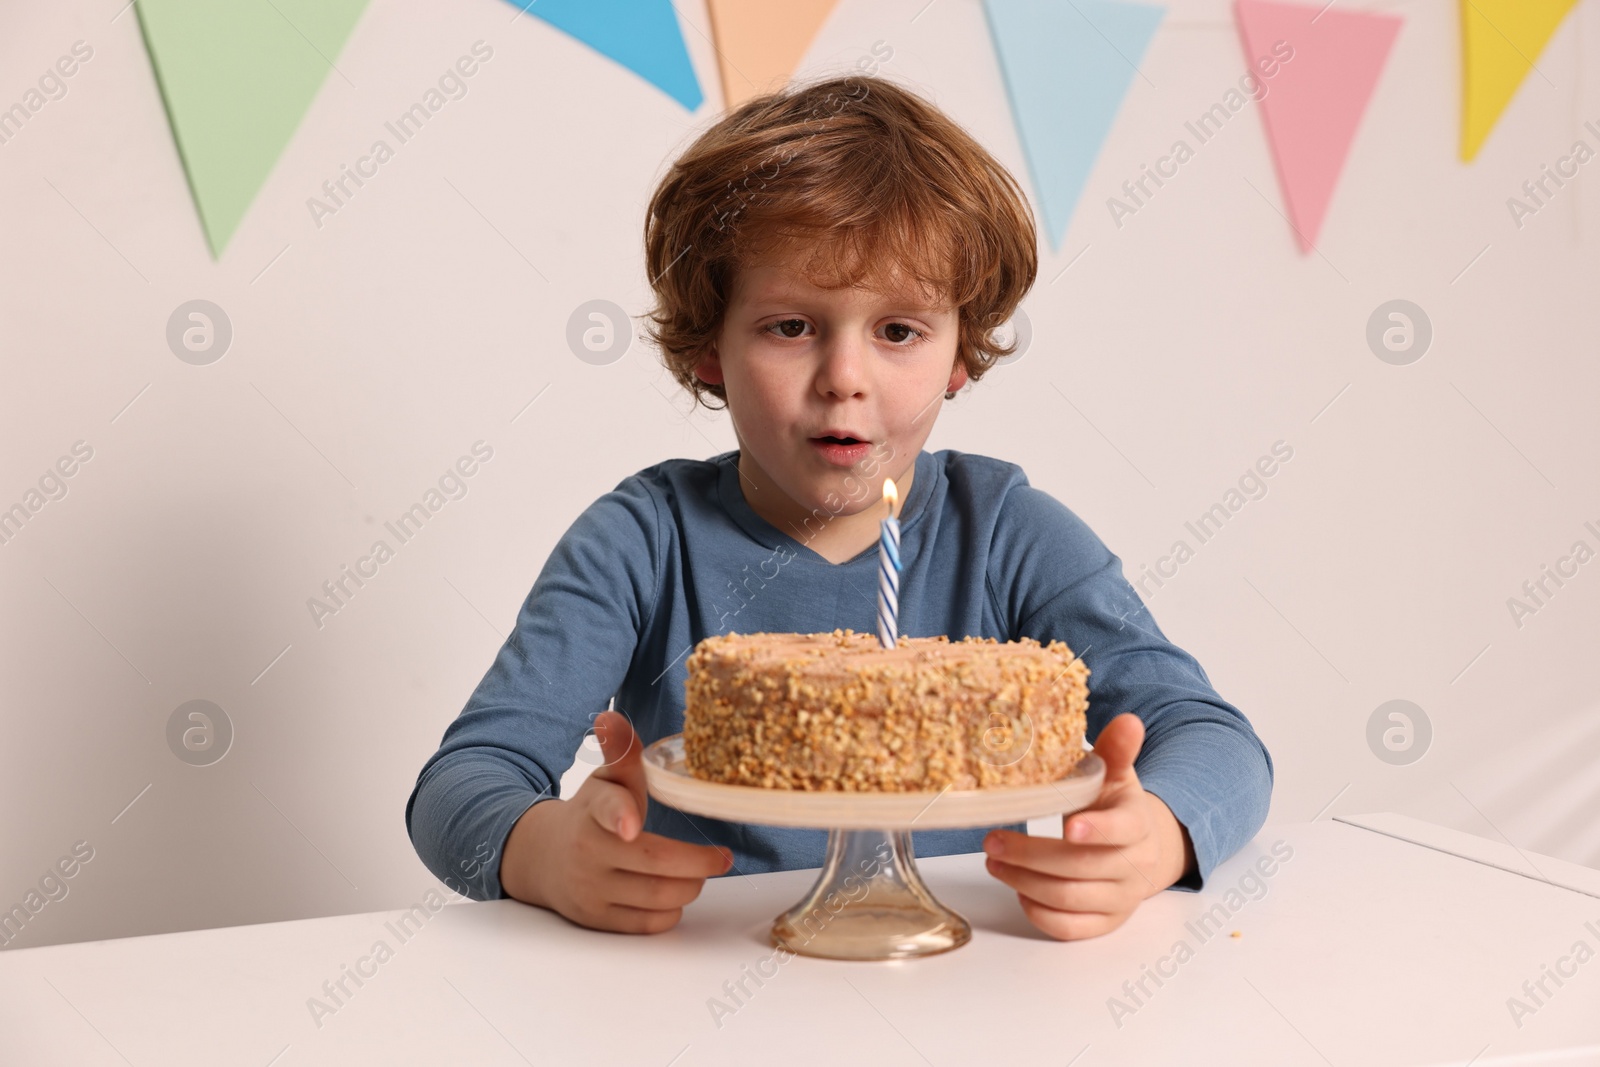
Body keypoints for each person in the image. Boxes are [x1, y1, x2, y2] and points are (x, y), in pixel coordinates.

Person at [406, 74, 1272, 941]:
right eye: (790, 326)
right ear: (710, 344)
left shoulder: (1006, 533)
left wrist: (1154, 837)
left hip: (951, 982)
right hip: (686, 983)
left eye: (899, 331)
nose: (845, 378)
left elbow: (1213, 738)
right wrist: (541, 851)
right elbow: (465, 780)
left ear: (959, 354)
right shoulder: (640, 541)